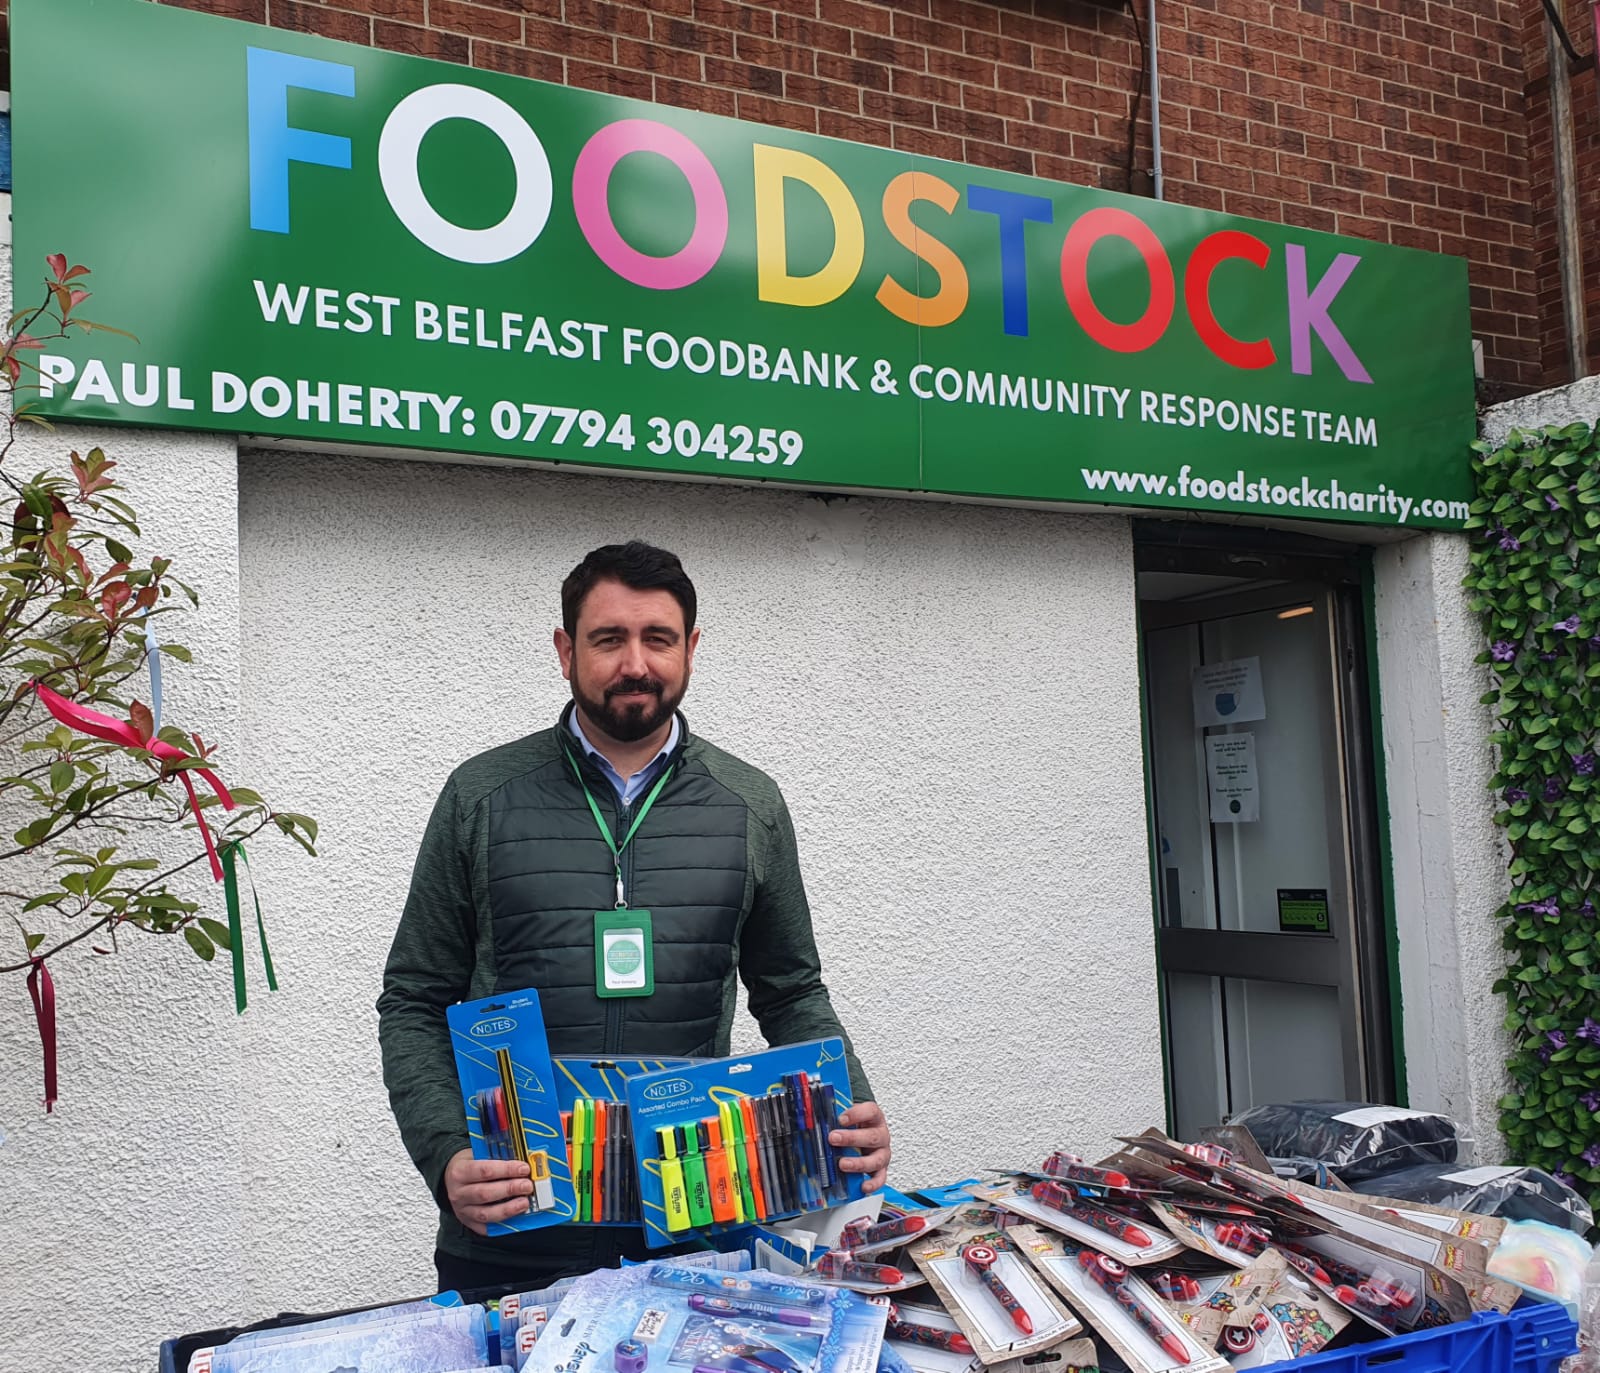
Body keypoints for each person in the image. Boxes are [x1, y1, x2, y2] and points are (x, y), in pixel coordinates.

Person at [378, 540, 891, 1292]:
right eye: (609, 638)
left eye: (658, 638)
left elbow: (791, 991)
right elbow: (413, 999)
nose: (636, 663)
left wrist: (851, 1104)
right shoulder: (481, 795)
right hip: (511, 1230)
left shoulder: (749, 804)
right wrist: (448, 1153)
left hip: (690, 1226)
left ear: (690, 647)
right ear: (565, 649)